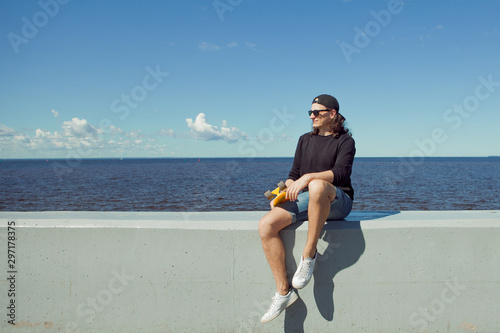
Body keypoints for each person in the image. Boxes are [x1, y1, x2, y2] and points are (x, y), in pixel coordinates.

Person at [259, 94, 355, 324]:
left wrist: (309, 178)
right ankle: (283, 292)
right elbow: (294, 176)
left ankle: (309, 253)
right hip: (310, 199)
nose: (312, 116)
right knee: (267, 225)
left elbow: (342, 174)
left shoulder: (345, 141)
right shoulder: (304, 140)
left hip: (338, 201)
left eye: (317, 112)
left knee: (317, 186)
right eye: (310, 113)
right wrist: (283, 192)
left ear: (332, 113)